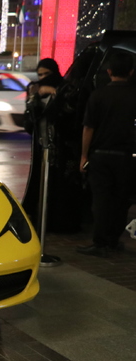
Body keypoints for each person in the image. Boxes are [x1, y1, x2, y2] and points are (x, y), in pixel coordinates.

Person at [77, 51, 136, 257]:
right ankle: (113, 240)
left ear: (109, 71)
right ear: (131, 71)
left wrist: (84, 156)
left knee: (101, 200)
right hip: (127, 156)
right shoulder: (134, 95)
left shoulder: (98, 95)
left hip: (100, 156)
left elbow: (88, 128)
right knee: (121, 201)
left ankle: (99, 242)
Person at [22, 58, 83, 234]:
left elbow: (69, 115)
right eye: (40, 74)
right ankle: (41, 222)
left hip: (62, 148)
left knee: (61, 186)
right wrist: (34, 97)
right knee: (40, 184)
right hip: (41, 147)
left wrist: (54, 93)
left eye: (46, 74)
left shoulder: (67, 89)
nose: (42, 78)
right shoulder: (35, 89)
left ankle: (61, 224)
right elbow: (29, 121)